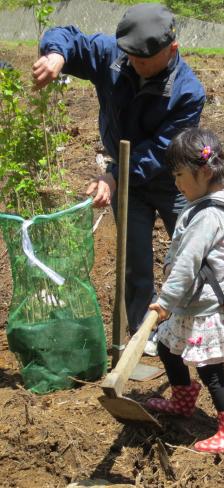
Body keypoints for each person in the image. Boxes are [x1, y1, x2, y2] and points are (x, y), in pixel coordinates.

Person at [31, 3, 206, 355]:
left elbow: (161, 151)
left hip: (175, 179)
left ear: (172, 50)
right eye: (130, 57)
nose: (134, 65)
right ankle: (146, 333)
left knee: (190, 252)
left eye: (143, 60)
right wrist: (55, 56)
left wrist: (113, 177)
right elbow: (68, 36)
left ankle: (200, 323)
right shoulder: (115, 57)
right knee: (135, 259)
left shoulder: (188, 92)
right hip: (126, 178)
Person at [146, 127, 224, 454]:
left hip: (205, 307)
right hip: (192, 303)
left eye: (179, 175)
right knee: (166, 347)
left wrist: (164, 302)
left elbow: (188, 263)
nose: (176, 183)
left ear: (204, 171)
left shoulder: (209, 216)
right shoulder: (210, 207)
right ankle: (182, 399)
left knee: (210, 369)